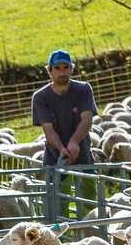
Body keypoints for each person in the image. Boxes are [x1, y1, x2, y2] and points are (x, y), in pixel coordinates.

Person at [31, 49, 98, 218]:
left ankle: (90, 233)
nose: (62, 72)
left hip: (82, 154)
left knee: (89, 200)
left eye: (65, 67)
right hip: (55, 157)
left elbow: (87, 119)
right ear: (50, 71)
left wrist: (74, 142)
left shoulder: (83, 89)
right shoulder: (40, 97)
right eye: (57, 68)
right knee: (58, 202)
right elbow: (48, 129)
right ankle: (61, 239)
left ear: (71, 69)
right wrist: (62, 148)